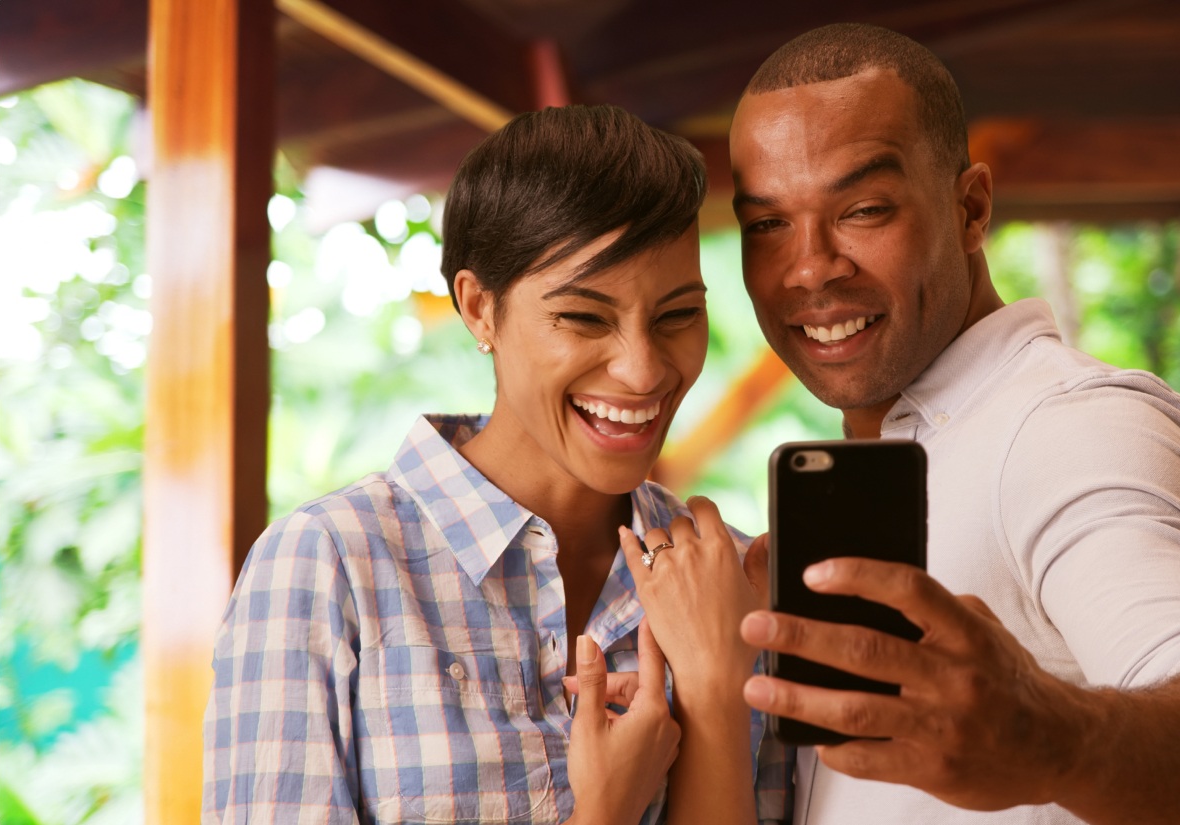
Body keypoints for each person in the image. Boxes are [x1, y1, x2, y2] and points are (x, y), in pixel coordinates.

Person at [727, 23, 1180, 825]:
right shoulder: (880, 465)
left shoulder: (1072, 426)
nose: (809, 266)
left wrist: (1050, 741)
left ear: (971, 209)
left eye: (863, 210)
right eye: (767, 224)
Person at [202, 104, 789, 825]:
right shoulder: (329, 566)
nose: (642, 371)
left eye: (676, 316)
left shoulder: (737, 586)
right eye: (583, 317)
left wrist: (714, 692)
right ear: (480, 308)